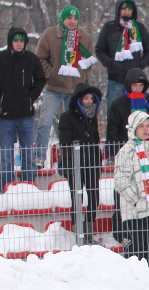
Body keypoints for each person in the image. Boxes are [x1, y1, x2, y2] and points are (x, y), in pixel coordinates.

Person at [33, 6, 97, 170]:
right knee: (45, 121)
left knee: (74, 125)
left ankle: (70, 157)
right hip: (54, 87)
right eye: (69, 18)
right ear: (63, 19)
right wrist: (51, 73)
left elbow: (89, 61)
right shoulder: (50, 34)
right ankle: (39, 157)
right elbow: (40, 58)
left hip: (75, 90)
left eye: (75, 19)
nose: (72, 21)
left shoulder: (85, 37)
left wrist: (81, 75)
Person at [113, 111, 149, 265]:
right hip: (134, 214)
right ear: (132, 128)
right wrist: (136, 201)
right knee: (136, 255)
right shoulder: (126, 151)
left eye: (147, 125)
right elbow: (120, 180)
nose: (145, 129)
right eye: (141, 126)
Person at [0, 27, 45, 189]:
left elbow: (41, 79)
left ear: (25, 43)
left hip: (26, 115)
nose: (19, 44)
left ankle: (29, 185)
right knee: (6, 155)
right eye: (16, 40)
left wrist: (30, 97)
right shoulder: (2, 58)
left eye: (21, 41)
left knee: (28, 153)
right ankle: (6, 187)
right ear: (10, 42)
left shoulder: (31, 59)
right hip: (5, 116)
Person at [57, 84, 102, 243]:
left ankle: (89, 232)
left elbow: (95, 141)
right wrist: (70, 164)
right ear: (78, 100)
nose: (89, 101)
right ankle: (78, 233)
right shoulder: (66, 117)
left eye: (91, 98)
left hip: (92, 163)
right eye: (86, 98)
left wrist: (98, 160)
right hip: (75, 165)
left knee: (94, 197)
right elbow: (65, 142)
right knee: (77, 197)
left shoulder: (93, 116)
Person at [95, 0, 149, 111]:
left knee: (137, 115)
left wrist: (140, 65)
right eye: (123, 9)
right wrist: (111, 64)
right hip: (115, 80)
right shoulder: (109, 28)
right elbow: (99, 50)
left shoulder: (139, 28)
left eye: (129, 9)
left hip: (136, 83)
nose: (126, 12)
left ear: (133, 11)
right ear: (118, 10)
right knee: (114, 114)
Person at [105, 68, 149, 158]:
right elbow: (112, 130)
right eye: (134, 85)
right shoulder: (118, 104)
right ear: (128, 85)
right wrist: (113, 152)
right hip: (126, 152)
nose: (138, 89)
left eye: (141, 85)